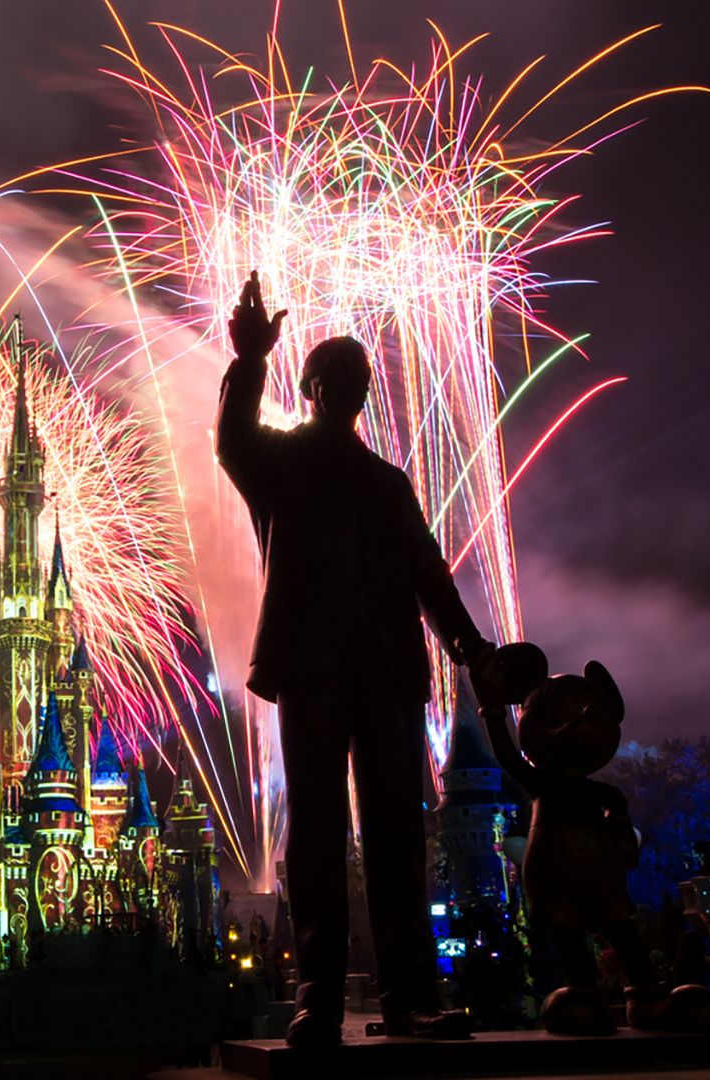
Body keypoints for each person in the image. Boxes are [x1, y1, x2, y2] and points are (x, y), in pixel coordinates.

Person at [215, 271, 493, 1046]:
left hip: (390, 672)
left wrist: (468, 646)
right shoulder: (278, 462)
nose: (348, 383)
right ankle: (319, 995)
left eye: (357, 375)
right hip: (312, 667)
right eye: (333, 373)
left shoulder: (390, 485)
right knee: (315, 832)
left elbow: (430, 576)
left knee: (399, 832)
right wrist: (251, 359)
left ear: (366, 391)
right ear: (309, 387)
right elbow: (230, 439)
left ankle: (411, 996)